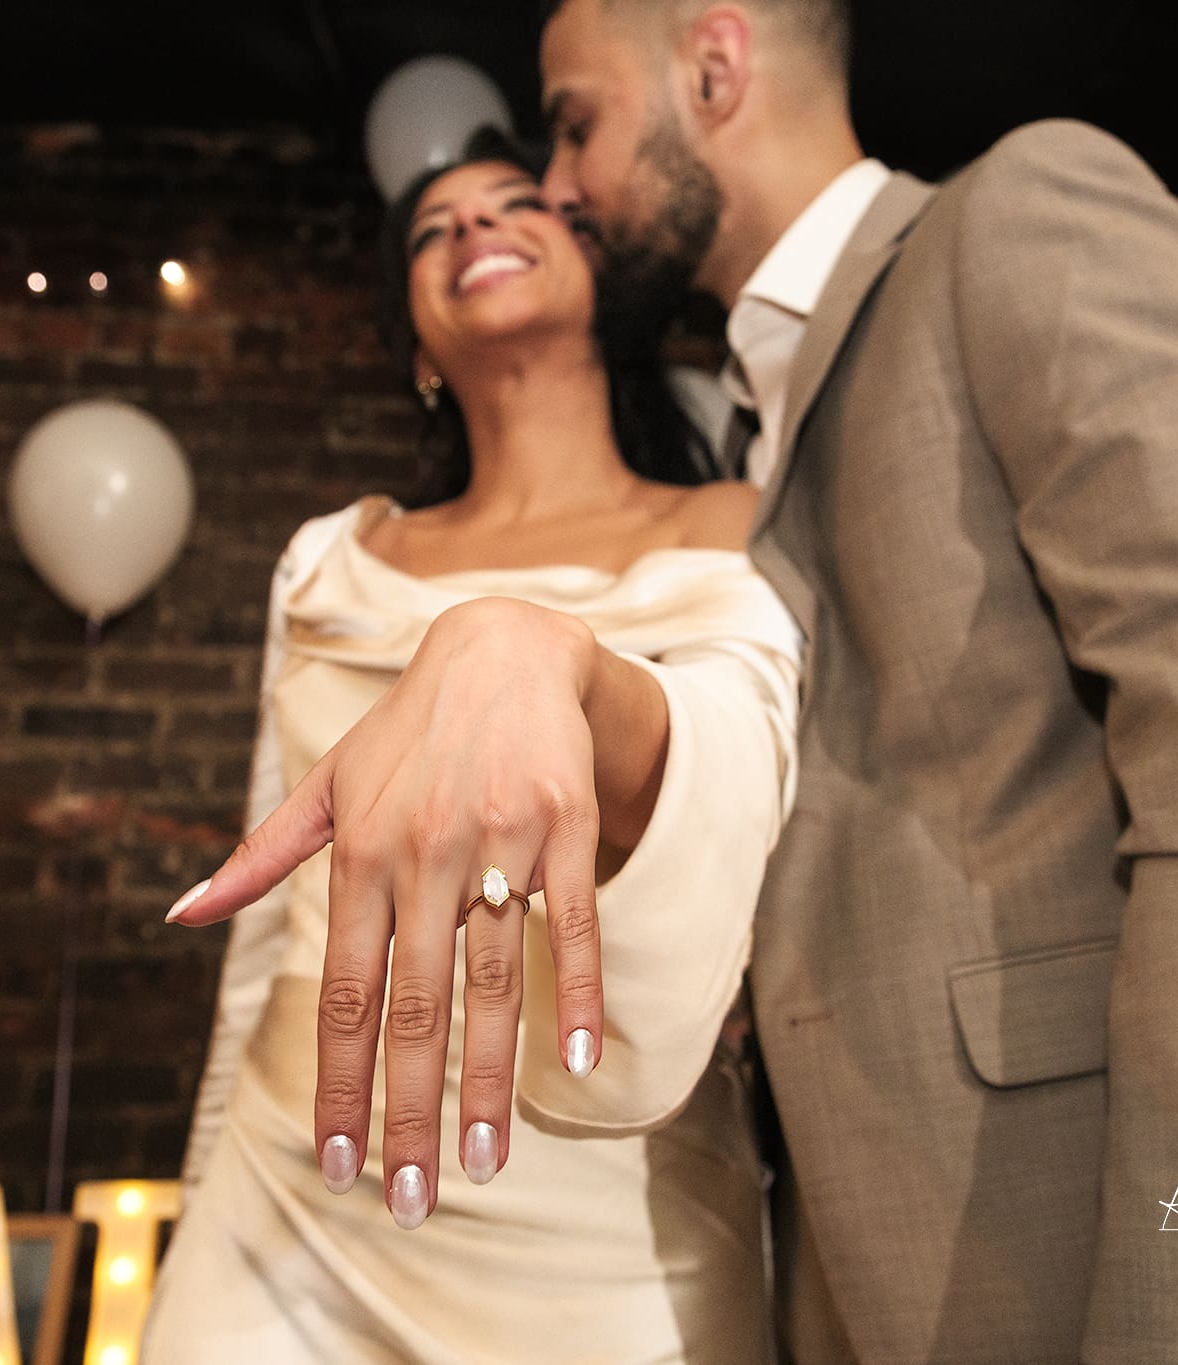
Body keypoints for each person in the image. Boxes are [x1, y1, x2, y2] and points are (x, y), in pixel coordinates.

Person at [530, 2, 1178, 1361]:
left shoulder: (1021, 213)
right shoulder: (747, 432)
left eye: (574, 123)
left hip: (1118, 1269)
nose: (557, 188)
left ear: (714, 67)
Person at [142, 135, 802, 1361]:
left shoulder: (733, 522)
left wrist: (533, 654)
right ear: (413, 347)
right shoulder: (331, 557)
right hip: (297, 1180)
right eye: (433, 228)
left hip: (607, 1201)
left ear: (608, 287)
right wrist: (201, 1188)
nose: (472, 229)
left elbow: (742, 758)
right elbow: (268, 922)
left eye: (515, 205)